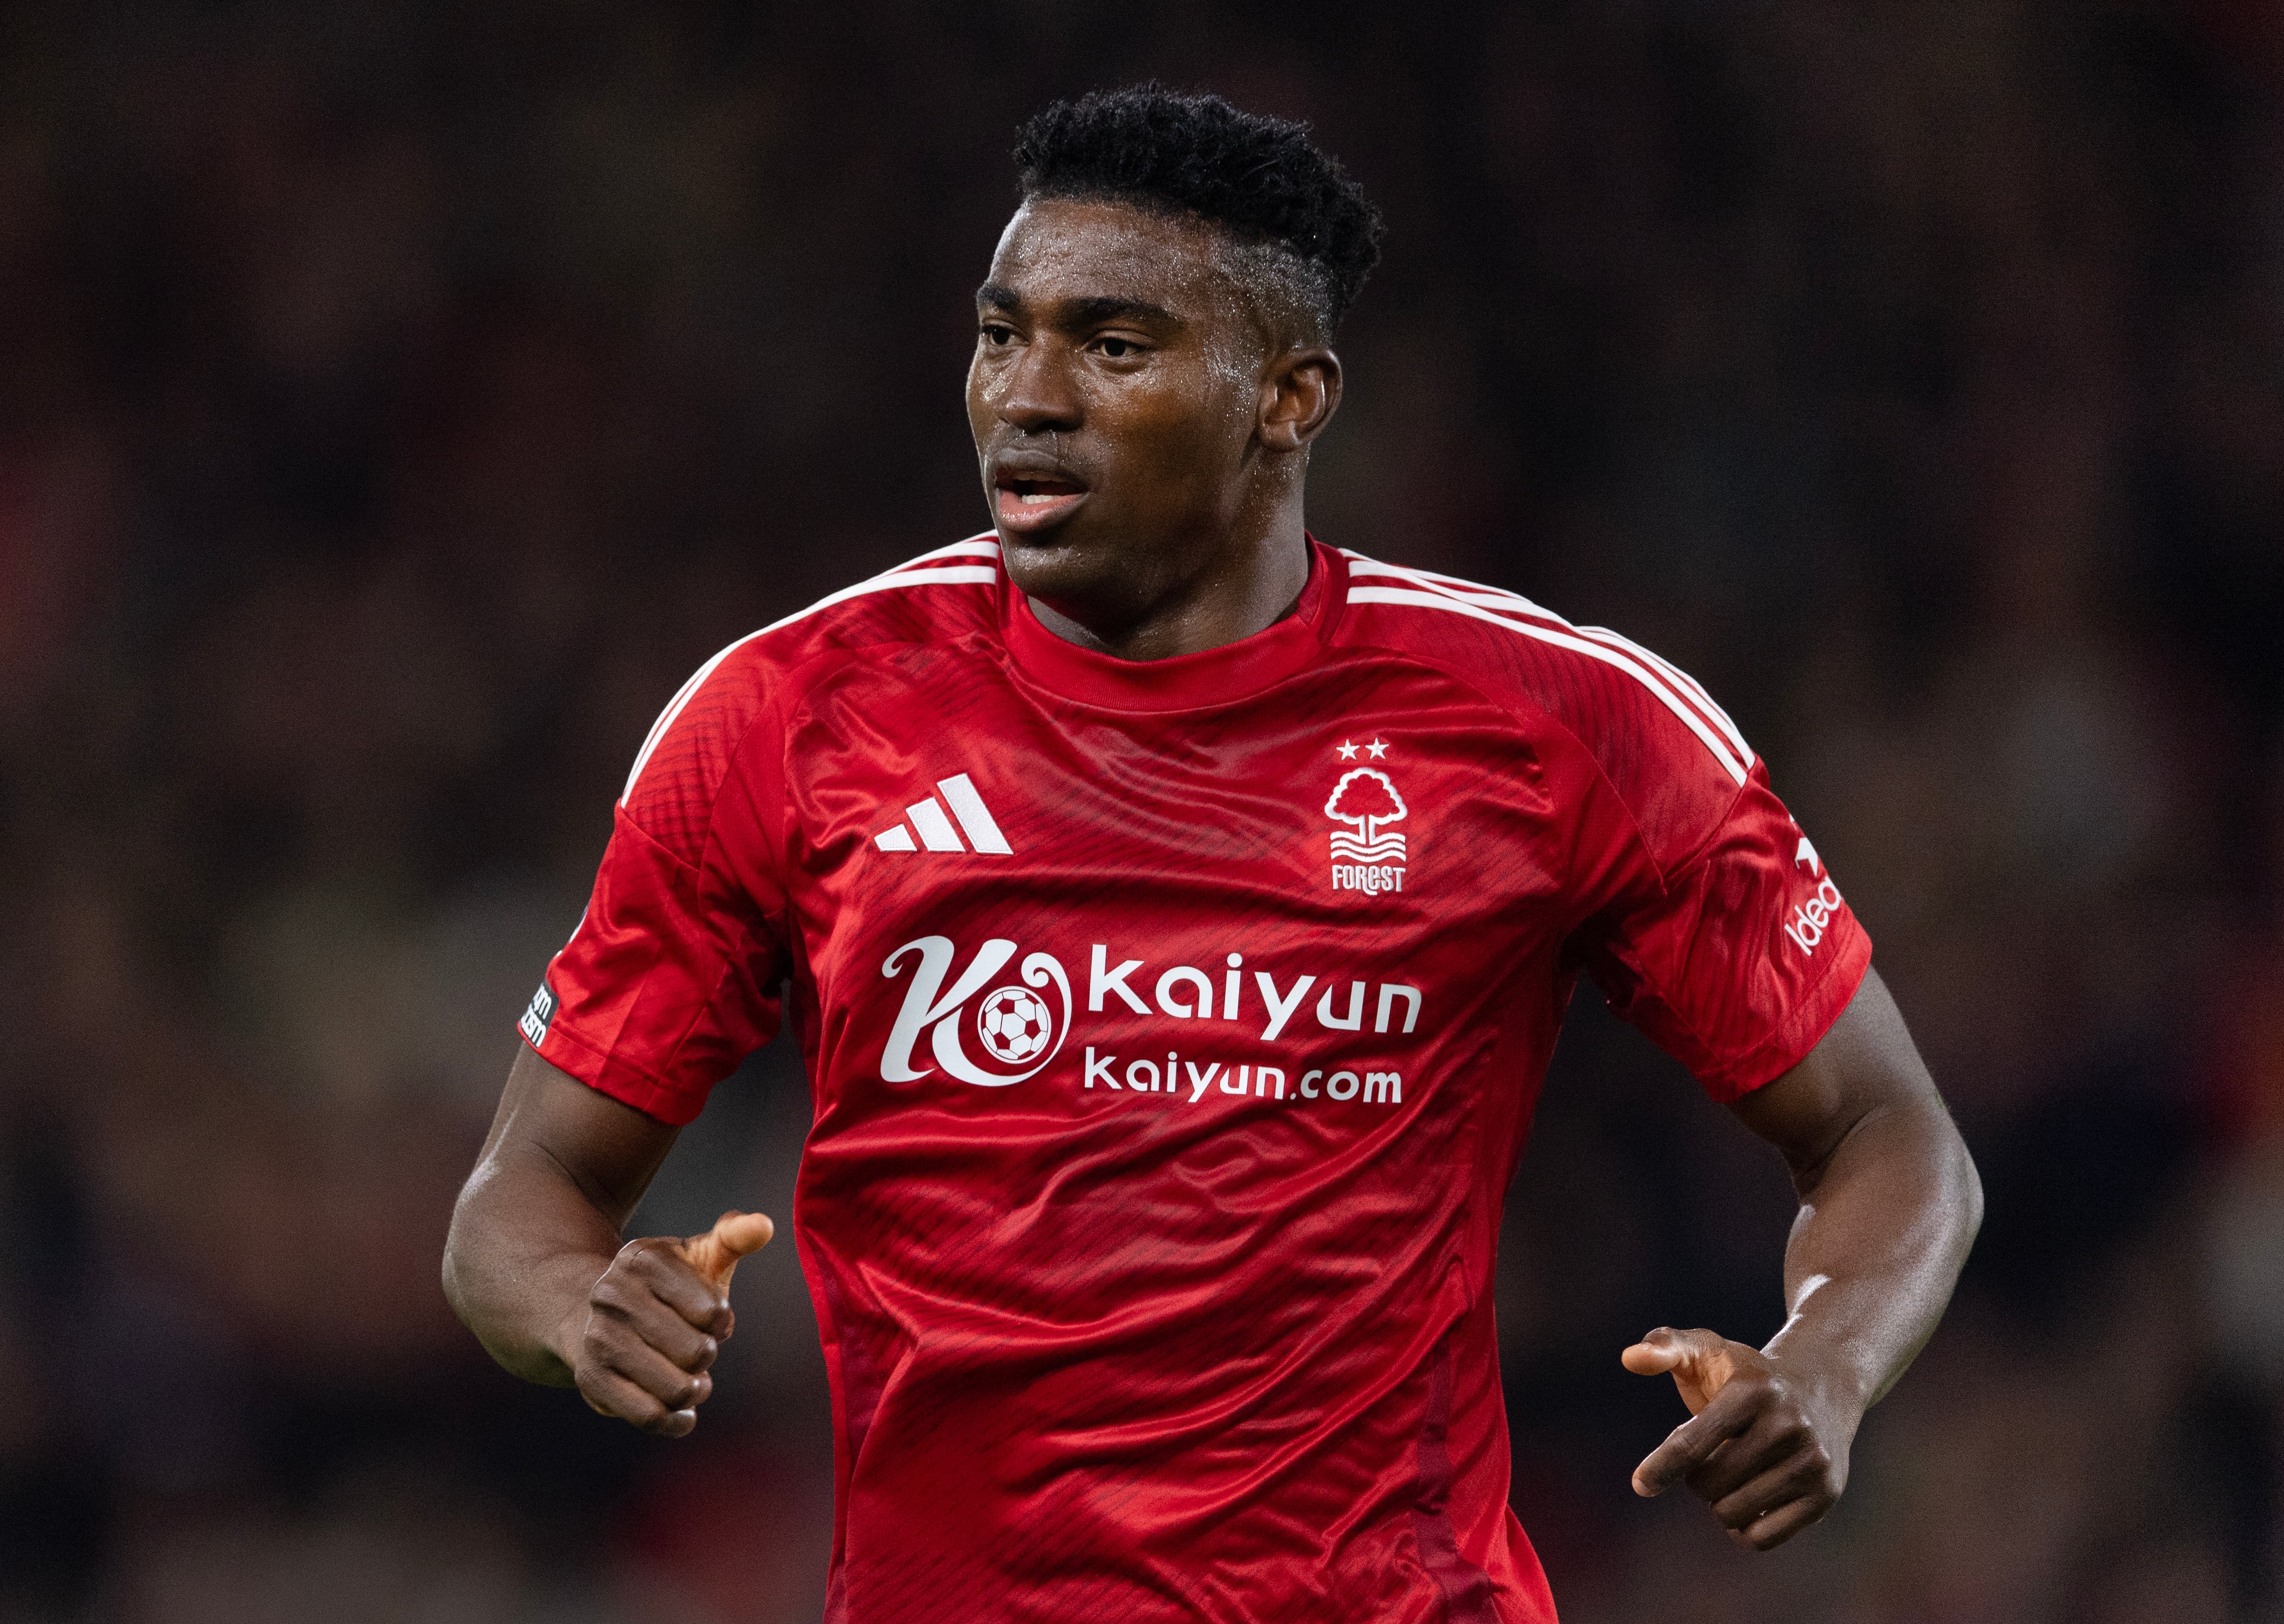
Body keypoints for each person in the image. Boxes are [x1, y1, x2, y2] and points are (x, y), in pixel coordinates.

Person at [443, 85, 1982, 1622]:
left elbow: (1884, 1133)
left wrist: (1825, 1365)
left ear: (1288, 397)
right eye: (1000, 334)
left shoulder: (1552, 723)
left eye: (1112, 347)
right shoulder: (786, 717)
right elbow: (521, 1199)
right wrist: (581, 1311)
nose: (1025, 396)